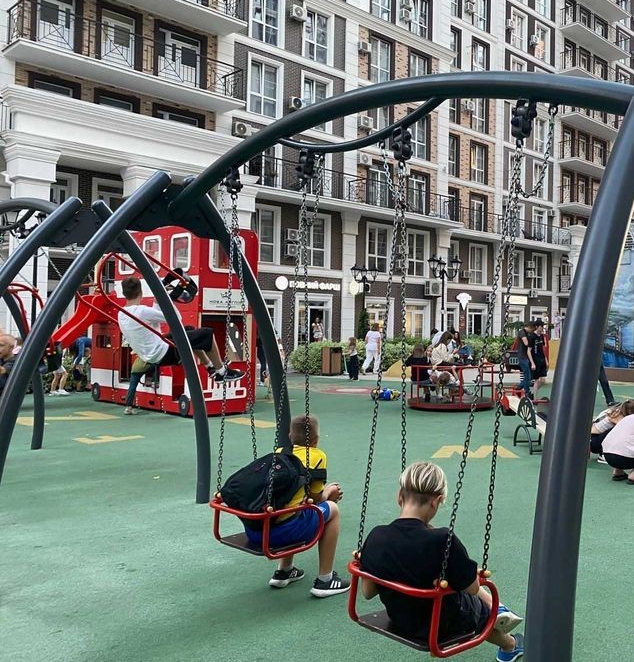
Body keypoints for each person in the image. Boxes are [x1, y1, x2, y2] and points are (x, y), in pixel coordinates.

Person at [358, 462, 524, 661]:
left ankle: (500, 617)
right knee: (476, 602)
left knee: (454, 576)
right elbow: (472, 588)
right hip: (443, 624)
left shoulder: (376, 536)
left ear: (400, 496)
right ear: (435, 502)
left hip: (401, 620)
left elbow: (368, 592)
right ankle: (510, 644)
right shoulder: (442, 540)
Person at [259, 415, 350, 597]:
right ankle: (325, 580)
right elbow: (316, 499)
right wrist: (329, 493)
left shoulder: (279, 452)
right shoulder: (317, 456)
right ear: (316, 441)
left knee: (291, 505)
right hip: (288, 529)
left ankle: (284, 571)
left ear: (290, 436)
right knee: (332, 509)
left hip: (264, 527)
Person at [117, 277, 243, 383]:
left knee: (188, 330)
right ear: (141, 293)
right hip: (164, 352)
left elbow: (155, 319)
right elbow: (176, 318)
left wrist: (157, 300)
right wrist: (168, 298)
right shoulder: (142, 311)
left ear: (124, 293)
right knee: (207, 334)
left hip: (151, 354)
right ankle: (222, 372)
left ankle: (210, 367)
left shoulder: (121, 313)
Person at [515, 321, 535, 400]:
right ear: (530, 327)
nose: (532, 331)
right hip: (522, 356)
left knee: (528, 376)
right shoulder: (522, 332)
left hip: (525, 357)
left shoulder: (527, 333)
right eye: (532, 329)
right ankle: (526, 391)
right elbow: (526, 343)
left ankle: (519, 388)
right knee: (528, 376)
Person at [530, 320, 549, 399]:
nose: (542, 328)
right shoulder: (532, 336)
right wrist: (532, 363)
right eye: (541, 326)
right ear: (537, 327)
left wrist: (546, 360)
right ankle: (535, 398)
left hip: (542, 359)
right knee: (537, 380)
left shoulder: (541, 336)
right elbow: (528, 351)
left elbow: (542, 349)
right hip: (535, 360)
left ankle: (532, 394)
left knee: (543, 380)